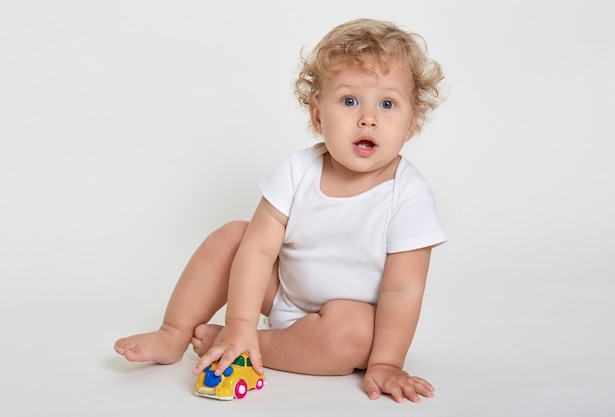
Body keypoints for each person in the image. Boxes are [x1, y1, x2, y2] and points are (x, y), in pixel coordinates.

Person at [114, 17, 446, 403]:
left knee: (354, 333)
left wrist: (387, 363)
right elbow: (257, 250)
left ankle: (259, 344)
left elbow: (403, 289)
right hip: (283, 293)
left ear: (411, 124)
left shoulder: (409, 196)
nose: (367, 117)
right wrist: (239, 321)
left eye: (387, 103)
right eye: (349, 100)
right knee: (234, 236)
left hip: (345, 324)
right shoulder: (296, 170)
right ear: (317, 114)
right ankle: (174, 332)